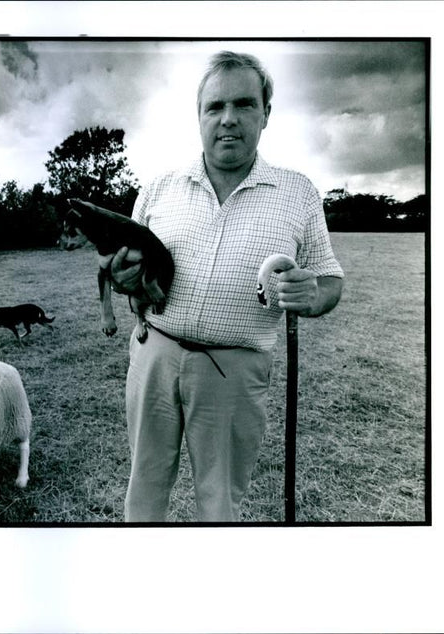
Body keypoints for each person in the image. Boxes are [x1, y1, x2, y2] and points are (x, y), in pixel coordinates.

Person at [109, 50, 344, 522]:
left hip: (235, 371)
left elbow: (329, 278)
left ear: (266, 113)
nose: (228, 119)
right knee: (144, 487)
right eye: (215, 106)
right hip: (153, 354)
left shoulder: (297, 192)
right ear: (199, 116)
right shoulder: (158, 188)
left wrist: (312, 294)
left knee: (219, 502)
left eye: (244, 104)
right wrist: (123, 280)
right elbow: (128, 277)